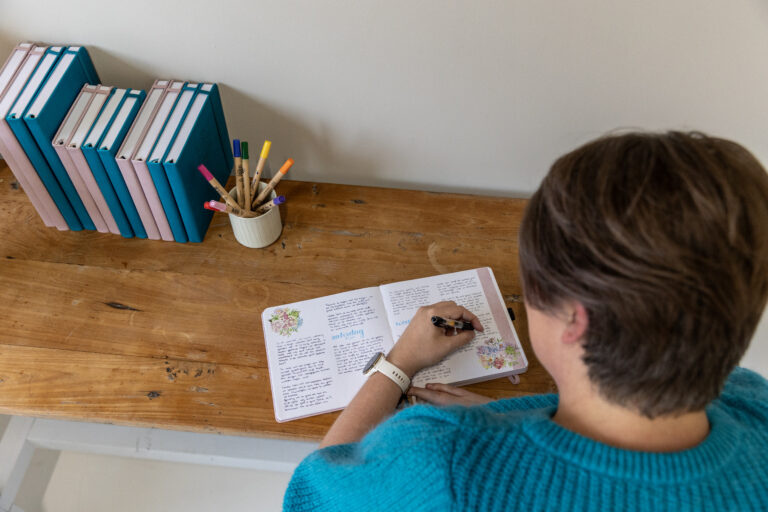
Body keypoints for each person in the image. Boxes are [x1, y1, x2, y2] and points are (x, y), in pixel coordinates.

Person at [283, 131, 768, 511]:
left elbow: (310, 493)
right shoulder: (752, 402)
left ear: (575, 321)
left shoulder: (441, 464)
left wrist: (400, 364)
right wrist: (510, 420)